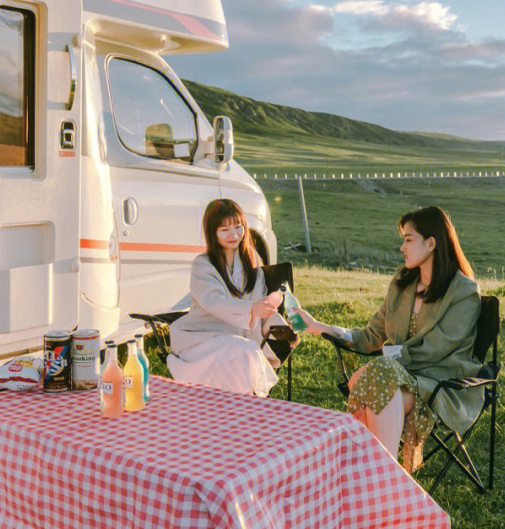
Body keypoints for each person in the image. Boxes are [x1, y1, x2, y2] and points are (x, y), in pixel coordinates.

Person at [296, 206, 483, 471]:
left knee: (374, 379)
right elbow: (371, 336)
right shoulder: (401, 285)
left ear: (431, 243)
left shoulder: (463, 292)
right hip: (396, 381)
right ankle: (384, 477)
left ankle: (373, 475)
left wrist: (385, 362)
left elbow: (435, 350)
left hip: (440, 385)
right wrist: (319, 326)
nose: (402, 248)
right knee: (377, 382)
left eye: (408, 239)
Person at [167, 198, 287, 397]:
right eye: (224, 229)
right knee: (243, 350)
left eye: (238, 227)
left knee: (243, 350)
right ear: (212, 232)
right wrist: (250, 309)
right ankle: (246, 401)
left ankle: (241, 403)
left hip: (237, 341)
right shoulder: (202, 265)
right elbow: (216, 302)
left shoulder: (252, 263)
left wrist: (282, 329)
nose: (233, 234)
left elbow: (261, 303)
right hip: (202, 338)